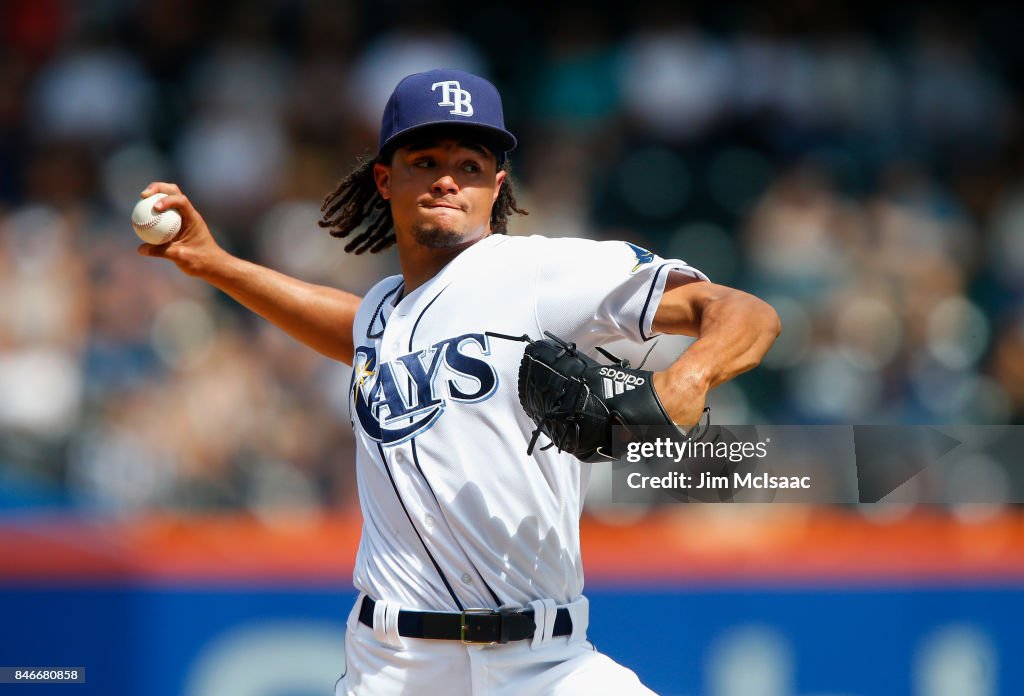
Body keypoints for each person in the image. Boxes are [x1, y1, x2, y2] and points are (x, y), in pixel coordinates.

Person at [138, 69, 781, 696]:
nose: (448, 180)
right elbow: (349, 324)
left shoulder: (541, 273)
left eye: (470, 166)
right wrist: (216, 264)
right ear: (385, 180)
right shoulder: (384, 313)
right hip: (392, 665)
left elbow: (745, 312)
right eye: (425, 160)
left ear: (496, 186)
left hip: (542, 664)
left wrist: (686, 378)